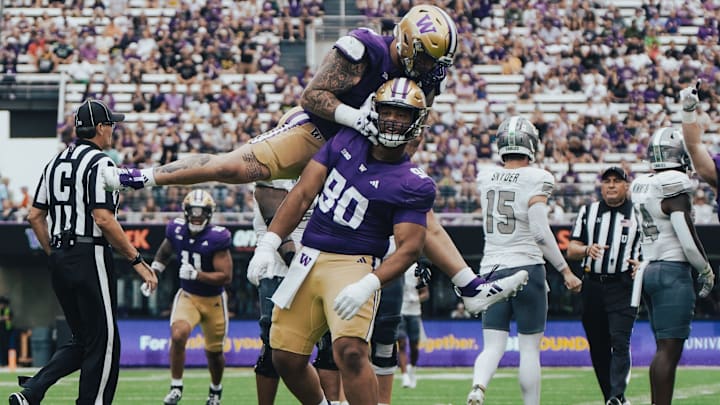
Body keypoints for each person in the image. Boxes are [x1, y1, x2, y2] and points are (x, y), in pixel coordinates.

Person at [100, 6, 525, 316]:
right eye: (429, 57)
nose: (433, 68)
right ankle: (139, 177)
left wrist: (391, 161)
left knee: (418, 210)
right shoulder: (364, 47)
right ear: (409, 44)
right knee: (231, 167)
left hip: (369, 148)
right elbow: (314, 97)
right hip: (321, 129)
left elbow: (414, 132)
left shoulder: (425, 78)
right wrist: (356, 117)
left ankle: (469, 285)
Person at [10, 99, 157, 405]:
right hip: (90, 254)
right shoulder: (102, 163)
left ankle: (32, 391)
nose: (113, 131)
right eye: (111, 125)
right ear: (101, 128)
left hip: (61, 256)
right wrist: (137, 260)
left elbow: (35, 216)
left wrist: (55, 253)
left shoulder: (55, 162)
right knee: (105, 343)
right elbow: (103, 218)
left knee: (83, 340)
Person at [467, 116, 583, 405]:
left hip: (491, 269)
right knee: (530, 349)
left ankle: (478, 387)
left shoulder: (486, 176)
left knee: (493, 345)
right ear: (532, 144)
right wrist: (565, 270)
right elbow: (541, 232)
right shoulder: (537, 177)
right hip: (526, 265)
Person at [630, 127, 714, 405]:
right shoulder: (675, 183)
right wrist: (705, 269)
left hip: (649, 269)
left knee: (663, 348)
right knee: (669, 351)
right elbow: (687, 239)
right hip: (671, 271)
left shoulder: (643, 184)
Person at [149, 189, 233, 405]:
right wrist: (153, 274)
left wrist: (198, 275)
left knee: (214, 353)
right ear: (185, 212)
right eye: (193, 212)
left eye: (202, 212)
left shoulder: (217, 237)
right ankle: (176, 387)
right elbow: (164, 253)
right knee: (178, 336)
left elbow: (226, 276)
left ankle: (215, 390)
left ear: (209, 213)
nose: (197, 216)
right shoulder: (176, 229)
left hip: (214, 301)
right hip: (188, 296)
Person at [566, 167, 641, 405]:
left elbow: (653, 245)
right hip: (593, 286)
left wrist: (643, 262)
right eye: (606, 181)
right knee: (598, 346)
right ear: (601, 186)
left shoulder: (639, 213)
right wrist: (587, 249)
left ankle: (617, 395)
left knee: (620, 341)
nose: (611, 185)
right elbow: (571, 249)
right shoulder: (588, 211)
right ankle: (611, 397)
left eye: (616, 181)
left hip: (623, 284)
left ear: (626, 186)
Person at [247, 180, 305, 405]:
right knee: (273, 346)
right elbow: (280, 231)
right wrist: (301, 267)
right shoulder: (273, 174)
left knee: (330, 344)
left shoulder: (322, 166)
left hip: (317, 263)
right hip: (280, 270)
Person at [398, 262, 430, 389]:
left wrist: (416, 298)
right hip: (400, 310)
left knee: (414, 346)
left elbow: (425, 294)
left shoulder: (417, 271)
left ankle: (412, 368)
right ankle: (404, 375)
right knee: (401, 343)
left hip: (414, 312)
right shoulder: (398, 268)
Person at [0, 297, 11, 367]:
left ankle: (4, 362)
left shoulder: (7, 310)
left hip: (6, 331)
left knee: (5, 347)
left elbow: (8, 317)